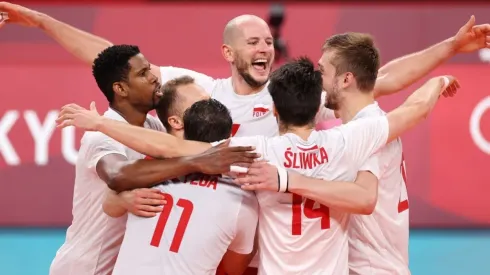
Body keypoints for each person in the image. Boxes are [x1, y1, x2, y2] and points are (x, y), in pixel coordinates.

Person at [2, 2, 487, 271]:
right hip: (215, 242)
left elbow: (379, 80)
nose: (264, 47)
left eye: (268, 41)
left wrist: (450, 48)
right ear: (227, 52)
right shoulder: (198, 92)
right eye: (252, 41)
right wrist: (42, 21)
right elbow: (111, 57)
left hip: (263, 249)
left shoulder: (290, 96)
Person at [56, 56, 459, 274]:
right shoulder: (347, 141)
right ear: (318, 105)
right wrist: (437, 83)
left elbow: (164, 146)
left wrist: (96, 123)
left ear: (274, 109)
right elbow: (410, 112)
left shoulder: (253, 152)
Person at [49, 45, 258, 275]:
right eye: (143, 75)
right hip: (86, 267)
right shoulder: (101, 137)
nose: (153, 79)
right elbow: (119, 176)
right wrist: (196, 162)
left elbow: (184, 146)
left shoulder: (153, 128)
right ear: (120, 89)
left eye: (150, 70)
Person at [110, 95, 259, 275]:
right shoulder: (242, 199)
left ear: (184, 134)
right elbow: (233, 269)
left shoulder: (151, 170)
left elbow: (109, 205)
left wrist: (122, 200)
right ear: (229, 139)